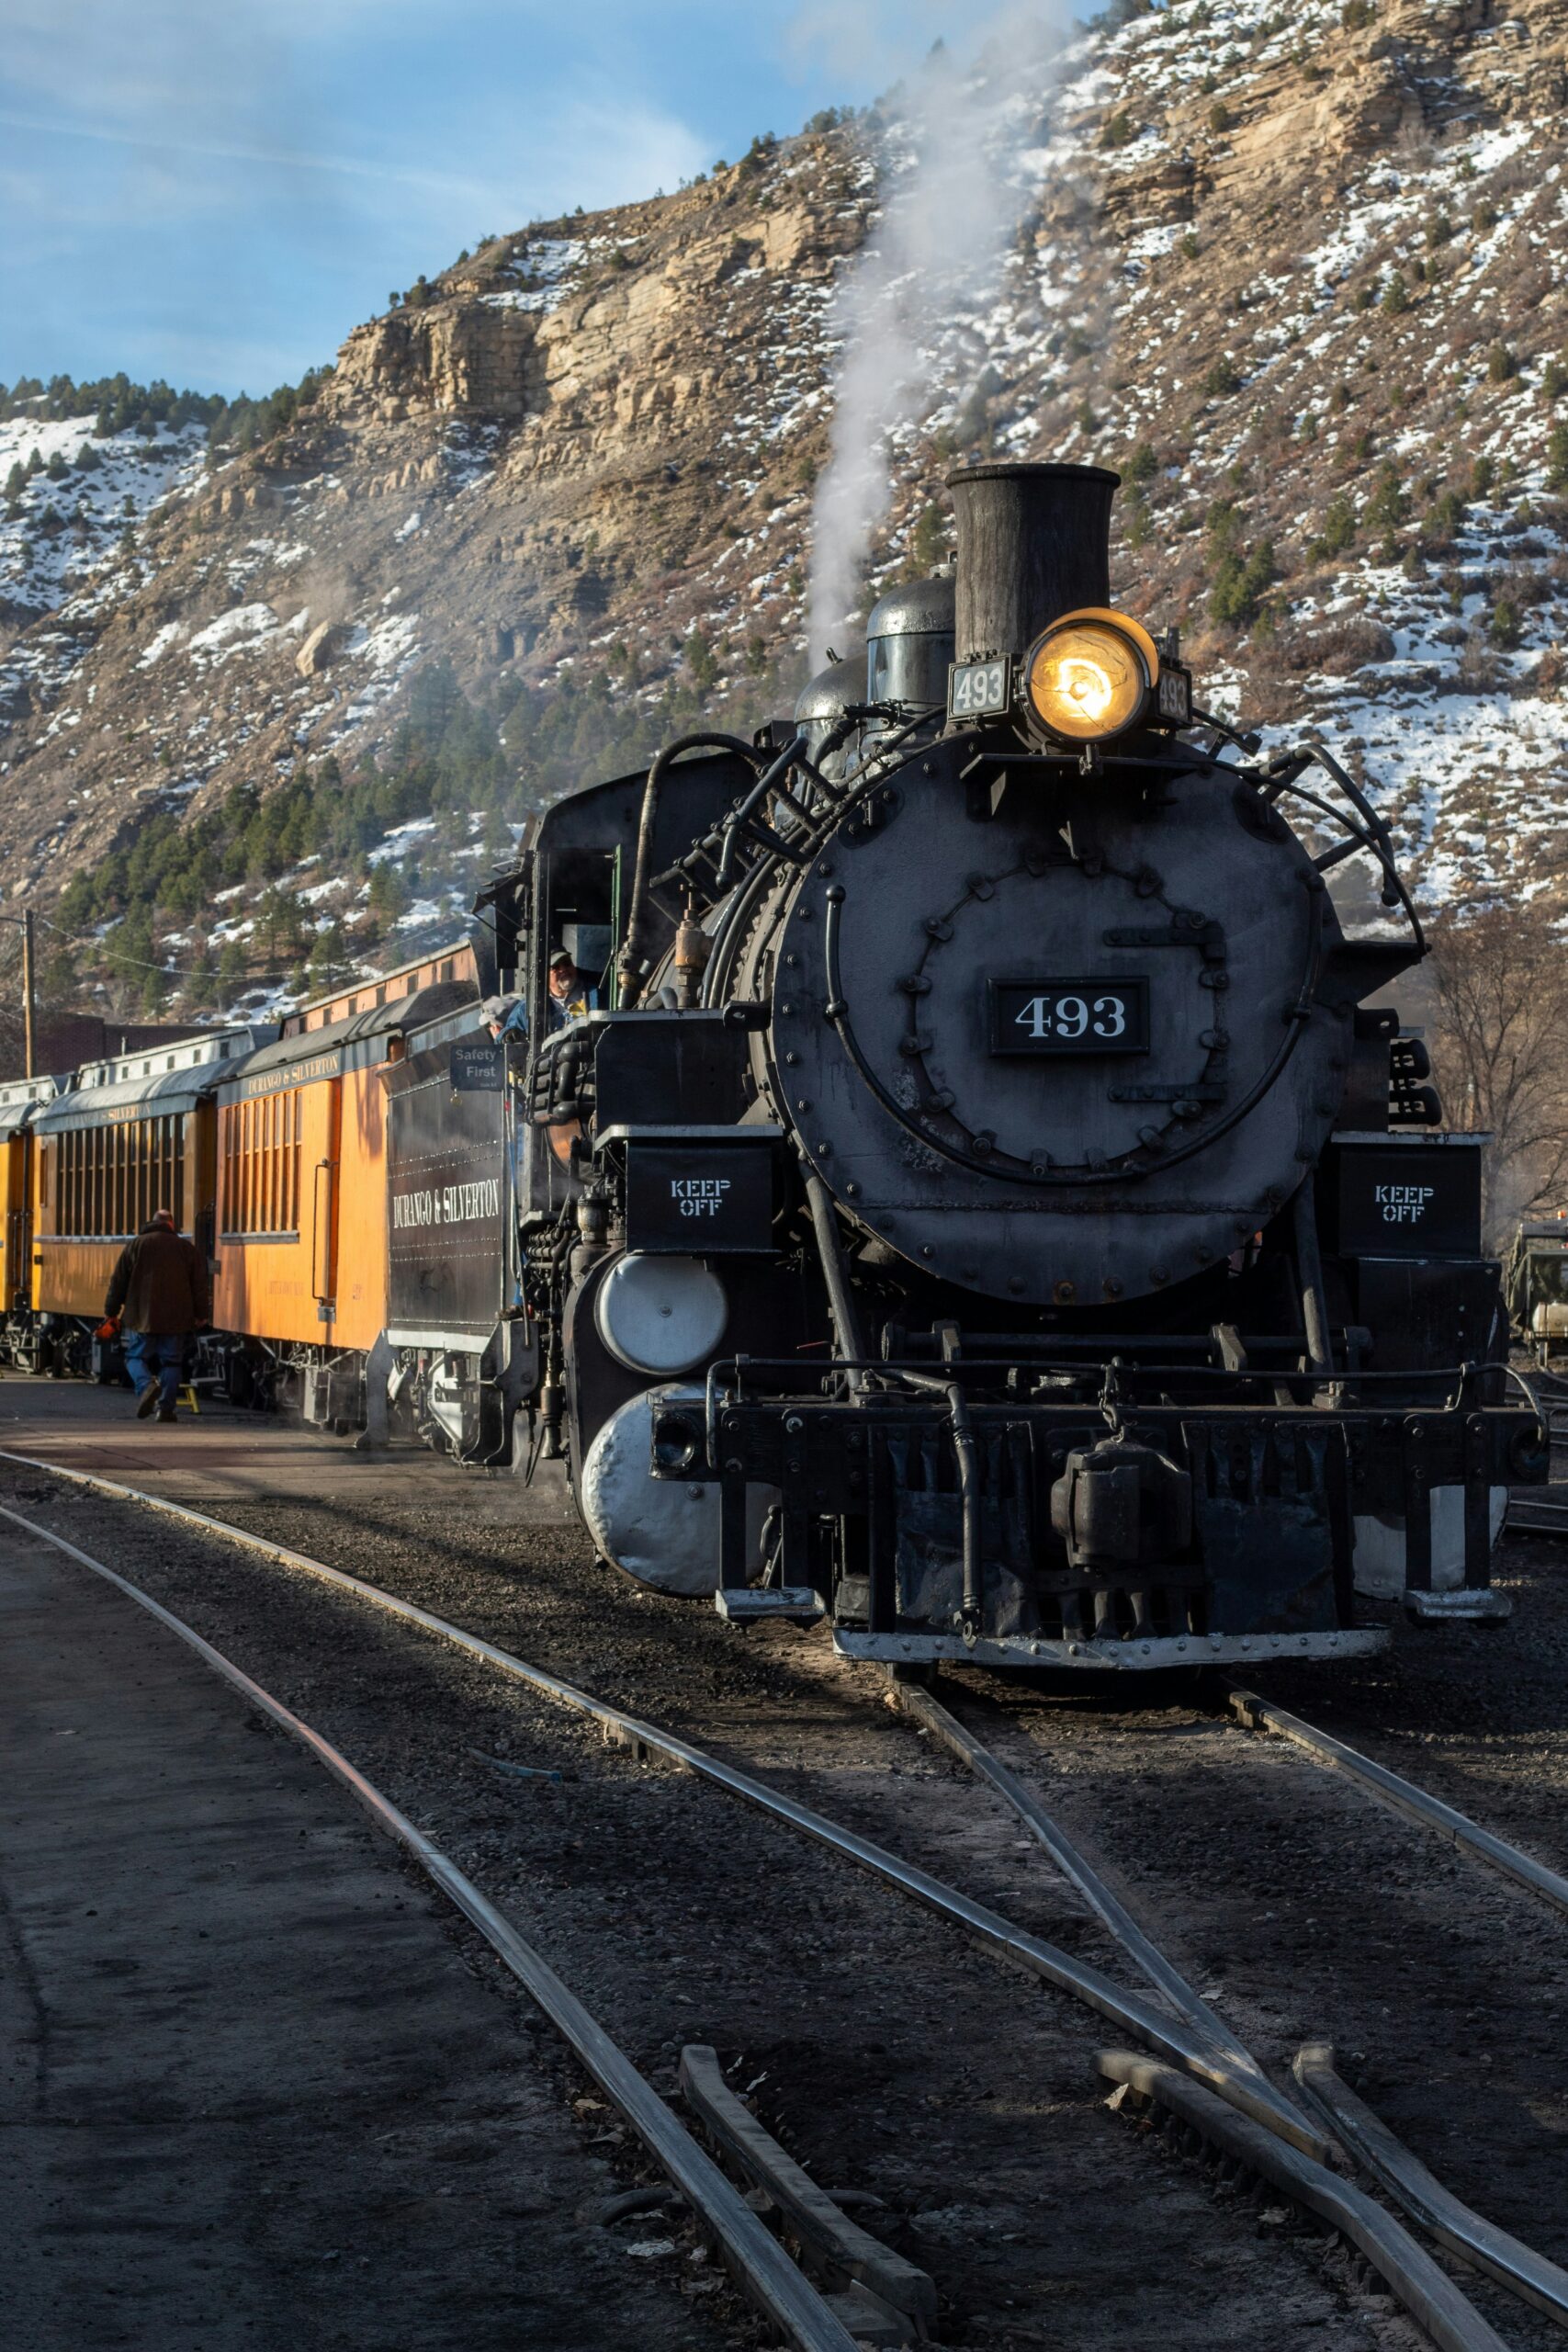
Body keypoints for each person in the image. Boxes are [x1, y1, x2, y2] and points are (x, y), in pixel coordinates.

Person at [103, 1206, 211, 1424]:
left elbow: (118, 1282)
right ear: (171, 1224)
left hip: (142, 1317)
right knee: (171, 1363)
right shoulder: (185, 1248)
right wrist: (202, 1314)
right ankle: (166, 1410)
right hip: (176, 1319)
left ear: (152, 1222)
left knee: (135, 1357)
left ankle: (146, 1386)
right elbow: (199, 1285)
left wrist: (111, 1312)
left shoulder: (136, 1245)